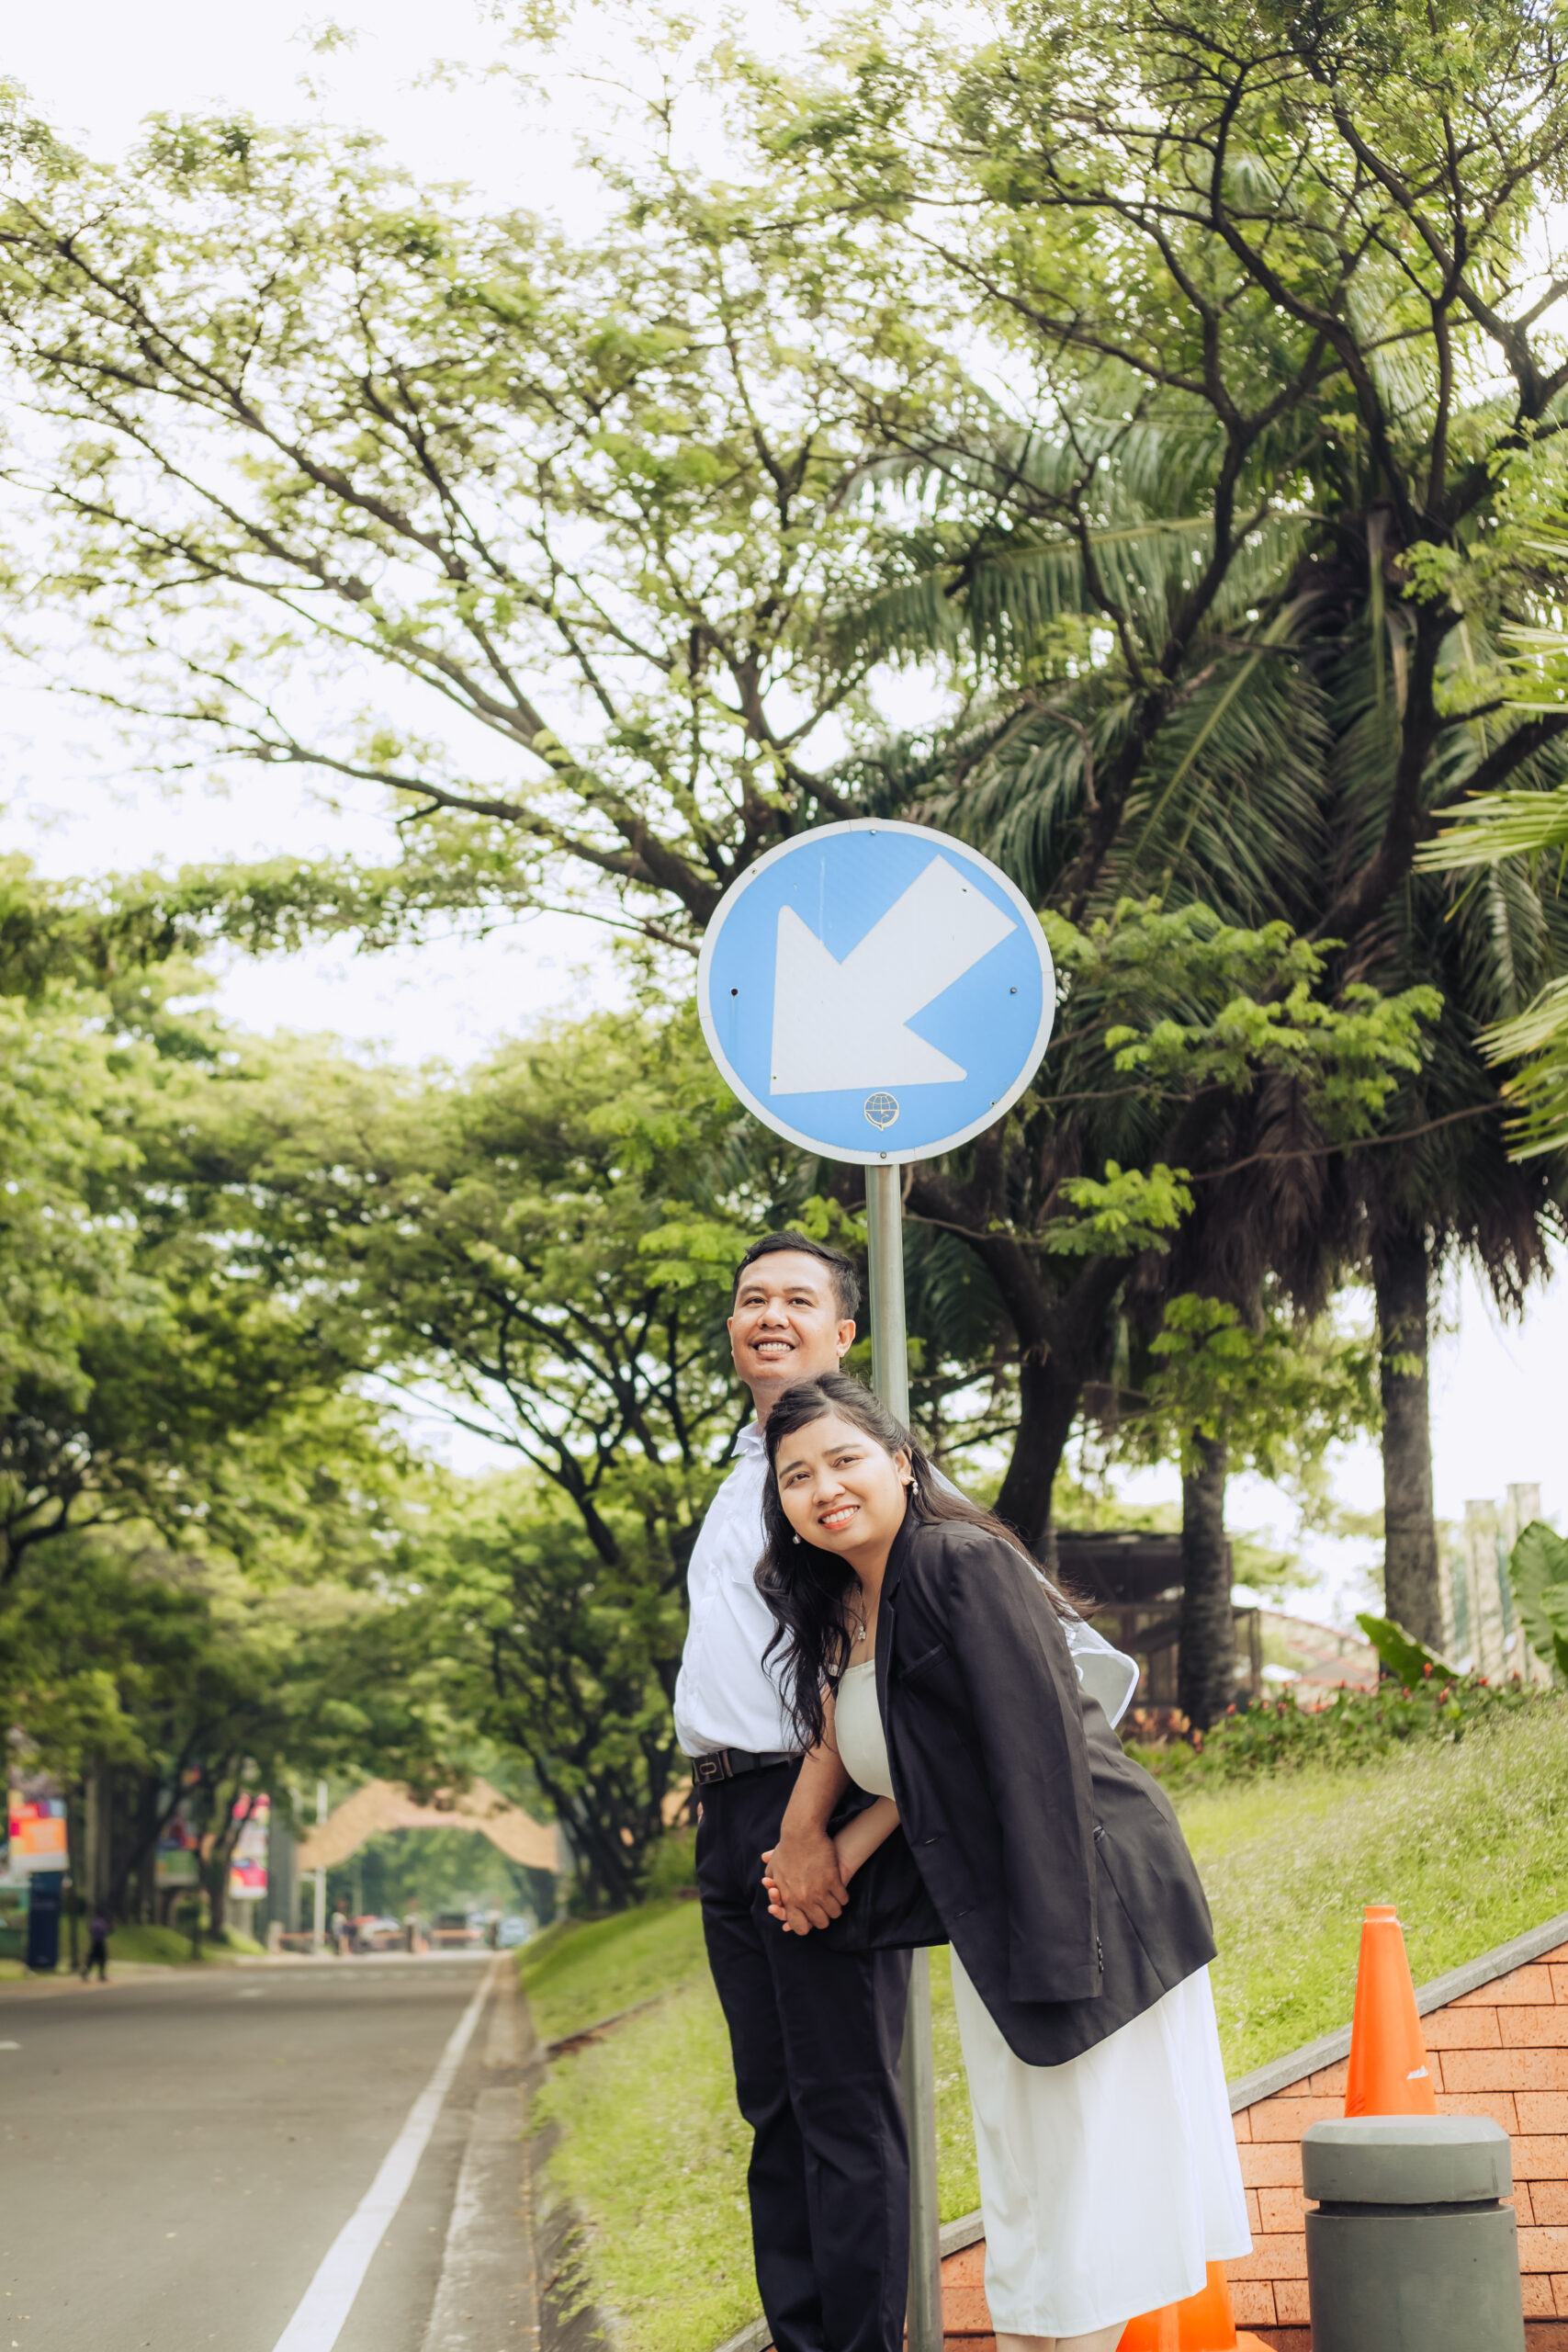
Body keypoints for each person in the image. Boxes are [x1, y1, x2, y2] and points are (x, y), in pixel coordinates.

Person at [673, 1233, 1138, 2352]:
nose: (769, 1315)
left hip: (818, 1817)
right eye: (750, 1299)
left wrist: (839, 1828)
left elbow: (1034, 1668)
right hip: (728, 1812)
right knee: (774, 2109)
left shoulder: (870, 1475)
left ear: (844, 1333)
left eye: (798, 1299)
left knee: (841, 2105)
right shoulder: (750, 1479)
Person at [758, 1374, 1250, 2352]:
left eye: (845, 1459)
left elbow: (1036, 1758)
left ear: (902, 1463)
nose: (824, 1488)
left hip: (1080, 1910)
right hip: (1007, 1918)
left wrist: (1062, 1959)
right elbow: (927, 1767)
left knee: (1081, 2196)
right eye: (796, 1476)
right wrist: (842, 1846)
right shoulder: (854, 1604)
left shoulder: (957, 1562)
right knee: (1034, 2191)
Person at [81, 1908, 109, 1983]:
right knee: (102, 1959)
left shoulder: (93, 1921)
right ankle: (101, 1975)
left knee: (91, 1959)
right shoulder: (101, 1922)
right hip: (99, 1943)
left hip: (94, 1942)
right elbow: (103, 1931)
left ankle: (86, 1973)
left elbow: (90, 1930)